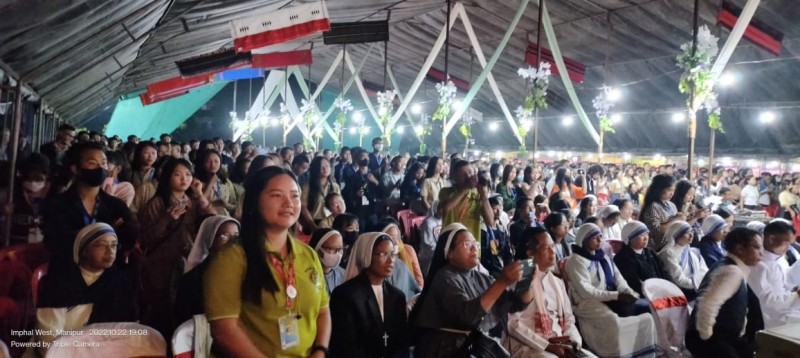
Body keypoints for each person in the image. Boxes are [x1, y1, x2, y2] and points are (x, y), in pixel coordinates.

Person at [204, 166, 331, 357]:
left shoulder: (308, 254)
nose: (289, 203)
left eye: (295, 196)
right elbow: (224, 329)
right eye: (277, 195)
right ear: (255, 201)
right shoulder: (232, 258)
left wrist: (320, 351)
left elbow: (323, 311)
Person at [411, 223, 534, 357]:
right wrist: (502, 282)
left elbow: (513, 305)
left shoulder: (480, 277)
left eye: (475, 243)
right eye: (467, 244)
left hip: (471, 346)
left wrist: (527, 282)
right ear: (450, 253)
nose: (474, 248)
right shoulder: (444, 277)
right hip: (445, 349)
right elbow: (467, 316)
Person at [29, 223, 136, 357]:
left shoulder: (118, 283)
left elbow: (127, 333)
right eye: (101, 245)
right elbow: (47, 342)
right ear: (84, 250)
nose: (110, 251)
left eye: (114, 245)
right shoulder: (61, 283)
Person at [139, 158, 211, 337]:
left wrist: (200, 193)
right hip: (161, 265)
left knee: (183, 306)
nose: (184, 179)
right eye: (177, 174)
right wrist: (167, 219)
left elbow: (212, 221)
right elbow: (147, 238)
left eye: (188, 174)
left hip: (187, 260)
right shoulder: (157, 203)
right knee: (161, 310)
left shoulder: (192, 202)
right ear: (167, 177)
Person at [564, 223, 657, 357]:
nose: (599, 240)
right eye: (594, 237)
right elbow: (586, 291)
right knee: (615, 324)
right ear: (584, 240)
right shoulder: (576, 261)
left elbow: (619, 279)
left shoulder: (603, 257)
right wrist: (616, 296)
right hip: (588, 303)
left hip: (610, 297)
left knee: (647, 313)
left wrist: (628, 293)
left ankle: (641, 353)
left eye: (600, 236)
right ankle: (617, 354)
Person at [42, 142, 138, 270]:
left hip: (108, 274)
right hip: (68, 272)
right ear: (75, 168)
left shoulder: (115, 205)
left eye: (103, 163)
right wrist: (105, 233)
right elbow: (54, 241)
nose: (100, 168)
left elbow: (130, 235)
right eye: (92, 163)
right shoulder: (58, 204)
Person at [505, 227, 597, 358]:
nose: (553, 251)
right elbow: (512, 324)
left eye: (552, 246)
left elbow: (569, 319)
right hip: (529, 346)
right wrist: (547, 346)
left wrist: (573, 342)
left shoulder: (557, 282)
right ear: (531, 254)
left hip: (560, 343)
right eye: (546, 248)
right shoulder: (517, 281)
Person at [685, 228, 765, 358]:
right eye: (756, 247)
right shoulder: (731, 271)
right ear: (740, 249)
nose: (761, 253)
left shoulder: (735, 267)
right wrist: (707, 340)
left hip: (723, 339)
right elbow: (707, 305)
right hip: (714, 341)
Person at [330, 233, 410, 358]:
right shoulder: (346, 295)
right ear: (366, 256)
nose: (391, 261)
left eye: (392, 255)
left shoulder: (397, 296)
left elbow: (401, 343)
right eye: (383, 255)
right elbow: (345, 346)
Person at [175, 215, 240, 325]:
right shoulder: (192, 280)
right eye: (224, 235)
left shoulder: (243, 274)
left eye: (236, 236)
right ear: (209, 238)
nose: (232, 242)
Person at [747, 220, 800, 328]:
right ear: (771, 239)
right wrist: (796, 295)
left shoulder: (779, 258)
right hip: (773, 317)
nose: (788, 248)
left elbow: (785, 282)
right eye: (786, 243)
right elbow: (769, 304)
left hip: (788, 306)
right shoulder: (758, 265)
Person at [438, 160, 494, 245]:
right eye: (463, 175)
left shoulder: (477, 194)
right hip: (450, 245)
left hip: (472, 246)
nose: (468, 177)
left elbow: (490, 221)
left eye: (470, 172)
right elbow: (446, 209)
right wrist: (466, 188)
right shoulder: (446, 192)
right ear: (455, 178)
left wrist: (484, 196)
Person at [658, 220, 709, 302]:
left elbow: (704, 270)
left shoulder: (693, 251)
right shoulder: (668, 253)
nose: (691, 235)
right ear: (677, 235)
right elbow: (678, 279)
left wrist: (705, 282)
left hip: (696, 288)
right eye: (687, 233)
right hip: (679, 292)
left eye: (692, 231)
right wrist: (699, 285)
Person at [613, 221, 665, 296]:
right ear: (630, 239)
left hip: (659, 291)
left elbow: (661, 272)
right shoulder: (622, 258)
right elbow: (634, 284)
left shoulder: (650, 252)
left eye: (647, 234)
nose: (646, 238)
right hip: (642, 295)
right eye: (641, 235)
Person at [640, 174, 684, 251]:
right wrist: (675, 219)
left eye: (673, 190)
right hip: (659, 249)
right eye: (669, 190)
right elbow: (655, 231)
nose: (672, 193)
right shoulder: (653, 206)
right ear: (659, 189)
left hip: (673, 246)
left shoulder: (671, 204)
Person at [300, 157, 341, 233]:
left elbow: (339, 205)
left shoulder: (335, 186)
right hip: (314, 221)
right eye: (321, 167)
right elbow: (304, 208)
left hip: (331, 221)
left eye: (327, 166)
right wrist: (312, 224)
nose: (325, 169)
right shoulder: (308, 187)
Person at [381, 219, 424, 288]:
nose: (395, 241)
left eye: (396, 237)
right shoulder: (381, 256)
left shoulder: (408, 250)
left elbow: (418, 277)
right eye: (391, 237)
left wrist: (419, 292)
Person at [195, 149, 238, 216]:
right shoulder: (197, 183)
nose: (213, 165)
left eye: (216, 161)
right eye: (208, 161)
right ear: (202, 163)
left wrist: (227, 205)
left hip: (225, 219)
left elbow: (235, 205)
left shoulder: (226, 182)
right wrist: (210, 183)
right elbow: (197, 207)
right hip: (206, 220)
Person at [480, 196, 514, 277]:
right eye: (495, 208)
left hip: (501, 267)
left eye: (501, 207)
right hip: (489, 271)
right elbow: (486, 257)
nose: (499, 211)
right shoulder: (482, 229)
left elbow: (507, 252)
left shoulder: (502, 229)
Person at [309, 229, 346, 296]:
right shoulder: (305, 275)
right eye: (331, 249)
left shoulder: (344, 275)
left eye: (340, 249)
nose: (337, 254)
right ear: (317, 249)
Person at [418, 201, 442, 276]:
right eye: (440, 208)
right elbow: (428, 244)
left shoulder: (445, 221)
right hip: (429, 255)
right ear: (435, 208)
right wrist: (440, 251)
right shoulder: (428, 223)